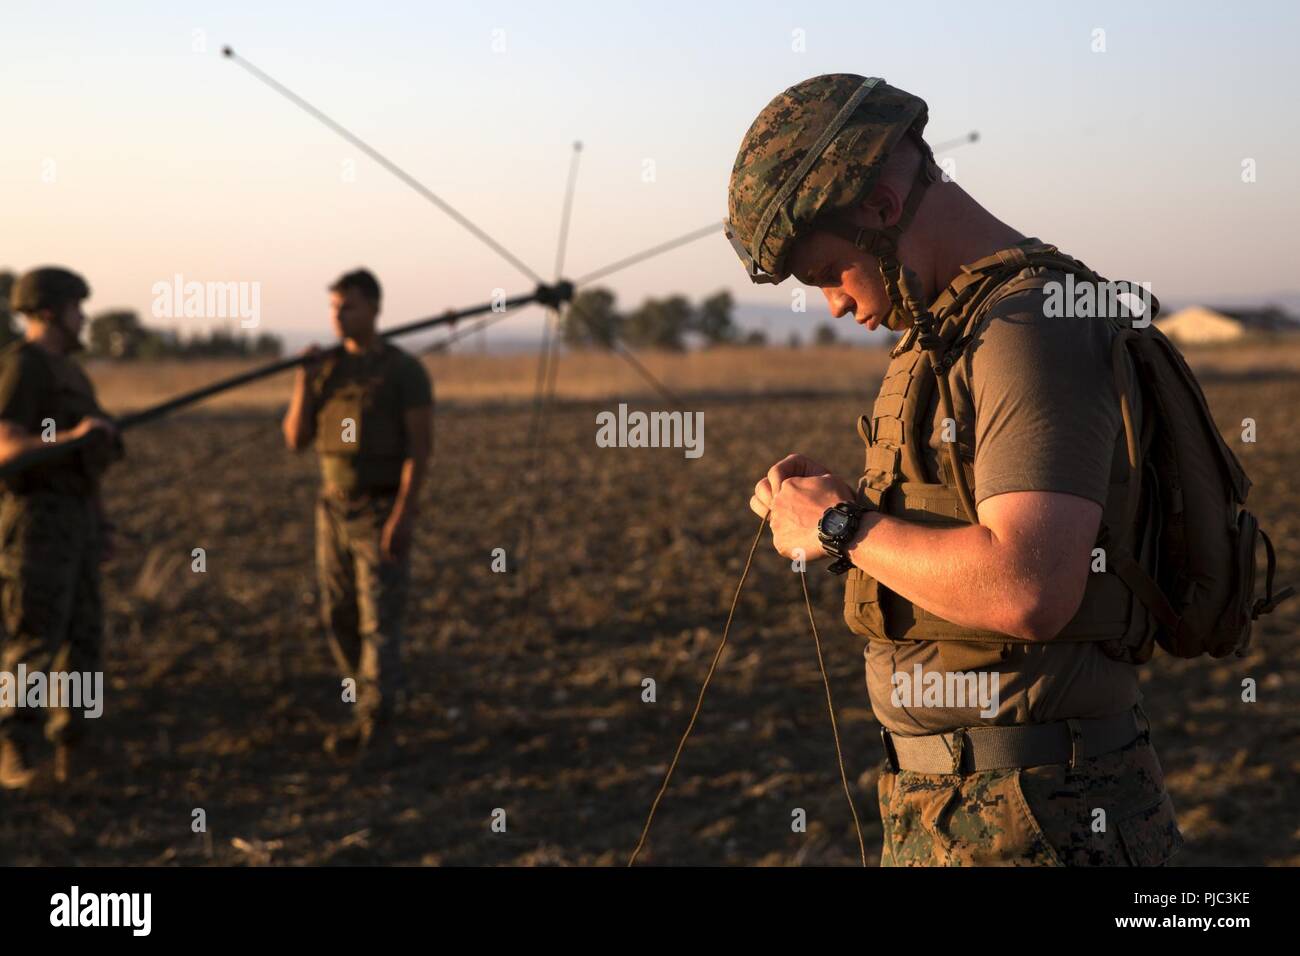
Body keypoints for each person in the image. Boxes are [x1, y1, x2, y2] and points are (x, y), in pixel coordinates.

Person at [729, 75, 1183, 865]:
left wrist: (840, 526)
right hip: (968, 804)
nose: (834, 304)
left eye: (829, 272)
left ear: (878, 208)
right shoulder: (956, 328)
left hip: (1041, 815)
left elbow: (1028, 587)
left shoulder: (1027, 327)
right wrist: (838, 514)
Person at [283, 269, 432, 756]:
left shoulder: (403, 372)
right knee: (339, 614)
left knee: (379, 622)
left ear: (373, 309)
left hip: (380, 507)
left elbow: (420, 449)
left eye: (347, 307)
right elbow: (296, 439)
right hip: (332, 508)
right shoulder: (327, 371)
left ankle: (378, 726)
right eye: (333, 307)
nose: (337, 316)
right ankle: (364, 707)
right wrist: (304, 382)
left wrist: (403, 516)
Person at [0, 266, 122, 789]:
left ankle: (75, 745)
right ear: (50, 310)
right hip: (36, 523)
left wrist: (100, 522)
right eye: (77, 307)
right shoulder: (22, 368)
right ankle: (14, 749)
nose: (84, 317)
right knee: (34, 639)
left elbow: (88, 456)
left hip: (77, 520)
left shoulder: (73, 373)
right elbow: (5, 448)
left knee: (84, 639)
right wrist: (72, 437)